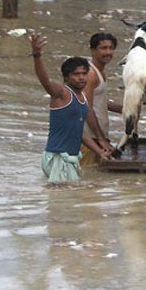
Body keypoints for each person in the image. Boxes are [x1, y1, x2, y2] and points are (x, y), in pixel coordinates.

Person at [28, 31, 96, 183]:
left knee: (68, 198)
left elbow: (80, 133)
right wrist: (37, 55)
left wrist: (101, 152)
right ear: (66, 77)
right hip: (58, 158)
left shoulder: (82, 97)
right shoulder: (61, 93)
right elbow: (44, 81)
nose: (81, 77)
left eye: (84, 74)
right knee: (62, 200)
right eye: (76, 74)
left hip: (70, 158)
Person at [80, 32, 120, 164]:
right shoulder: (90, 73)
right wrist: (101, 139)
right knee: (86, 177)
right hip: (89, 140)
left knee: (93, 180)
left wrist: (126, 109)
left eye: (111, 48)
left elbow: (100, 102)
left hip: (97, 138)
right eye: (103, 48)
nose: (108, 52)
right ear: (93, 51)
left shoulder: (101, 72)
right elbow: (87, 108)